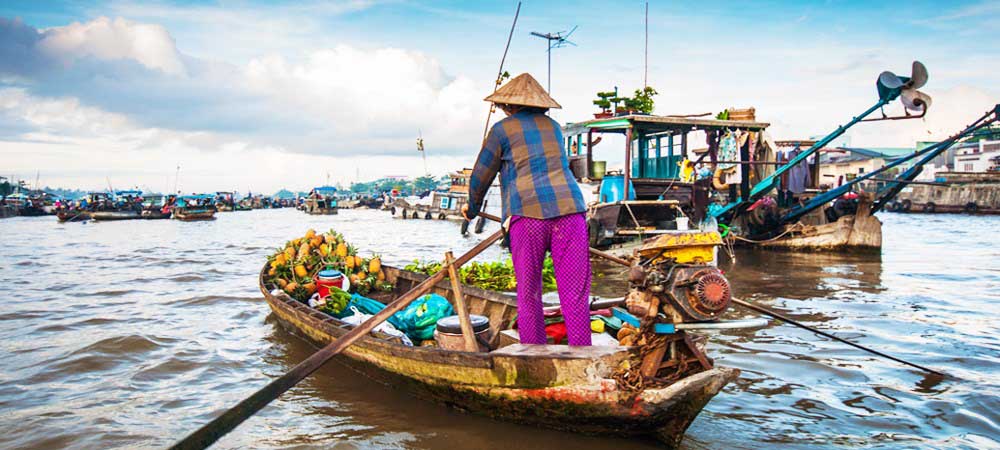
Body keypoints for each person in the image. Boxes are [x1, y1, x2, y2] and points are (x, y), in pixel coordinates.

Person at [462, 73, 591, 346]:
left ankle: (534, 351)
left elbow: (481, 174)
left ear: (509, 106)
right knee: (574, 291)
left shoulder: (501, 130)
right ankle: (582, 352)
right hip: (571, 212)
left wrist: (472, 209)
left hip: (528, 215)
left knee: (529, 291)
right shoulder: (554, 127)